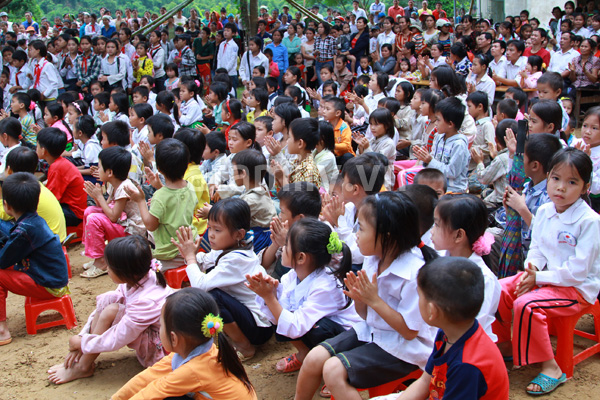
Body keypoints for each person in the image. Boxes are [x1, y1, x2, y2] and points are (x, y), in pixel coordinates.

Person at [295, 191, 438, 400]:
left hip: (404, 347)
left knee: (333, 371)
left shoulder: (413, 274)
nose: (356, 235)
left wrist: (374, 300)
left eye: (361, 228)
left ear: (386, 236)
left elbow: (409, 332)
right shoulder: (373, 259)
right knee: (314, 358)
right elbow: (365, 317)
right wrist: (360, 299)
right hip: (373, 331)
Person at [494, 148, 600, 395]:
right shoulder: (544, 211)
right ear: (548, 177)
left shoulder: (590, 221)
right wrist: (532, 271)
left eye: (571, 182)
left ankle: (552, 367)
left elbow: (577, 272)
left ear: (585, 187)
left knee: (528, 306)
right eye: (556, 178)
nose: (561, 188)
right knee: (498, 289)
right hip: (546, 280)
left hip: (577, 288)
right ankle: (507, 346)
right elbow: (538, 248)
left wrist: (537, 278)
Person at [48, 235, 172, 384]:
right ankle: (82, 362)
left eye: (110, 267)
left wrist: (83, 343)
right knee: (110, 300)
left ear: (127, 272)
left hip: (161, 352)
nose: (107, 269)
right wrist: (82, 338)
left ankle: (82, 366)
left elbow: (118, 337)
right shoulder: (138, 277)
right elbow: (101, 311)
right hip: (146, 334)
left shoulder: (147, 300)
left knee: (111, 310)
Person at [248, 218, 362, 373]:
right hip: (319, 328)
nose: (283, 248)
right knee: (281, 311)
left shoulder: (325, 285)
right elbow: (280, 317)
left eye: (287, 245)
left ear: (301, 257)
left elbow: (294, 327)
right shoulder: (292, 275)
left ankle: (340, 368)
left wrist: (269, 298)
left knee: (319, 327)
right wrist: (270, 293)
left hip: (349, 339)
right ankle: (305, 354)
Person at [393, 256, 509, 399]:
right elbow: (425, 381)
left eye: (419, 296)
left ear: (432, 311)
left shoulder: (467, 366)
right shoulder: (447, 334)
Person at [172, 198, 272, 361]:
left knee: (213, 296)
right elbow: (205, 259)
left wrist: (190, 258)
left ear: (238, 234)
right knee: (209, 283)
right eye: (210, 227)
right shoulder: (234, 246)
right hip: (253, 319)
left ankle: (245, 347)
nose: (210, 234)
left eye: (217, 230)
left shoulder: (236, 260)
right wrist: (191, 255)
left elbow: (200, 285)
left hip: (260, 328)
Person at [112, 287, 257, 399]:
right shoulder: (202, 351)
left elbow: (152, 392)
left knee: (164, 396)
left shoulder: (193, 370)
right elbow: (148, 377)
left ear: (174, 338)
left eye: (161, 325)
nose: (160, 329)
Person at [0, 172, 69, 346]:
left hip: (49, 284)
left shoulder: (24, 231)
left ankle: (1, 329)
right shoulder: (32, 221)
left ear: (6, 206)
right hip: (51, 276)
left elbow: (3, 260)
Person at [430, 195, 501, 341]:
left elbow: (469, 328)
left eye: (437, 225)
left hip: (469, 349)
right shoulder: (439, 258)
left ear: (459, 235)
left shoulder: (483, 279)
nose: (431, 231)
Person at [124, 139, 198, 270]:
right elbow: (175, 200)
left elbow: (150, 225)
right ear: (186, 165)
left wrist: (140, 200)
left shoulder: (160, 196)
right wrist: (160, 187)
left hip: (170, 253)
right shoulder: (190, 186)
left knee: (144, 270)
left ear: (159, 169)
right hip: (190, 244)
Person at [81, 147, 144, 278]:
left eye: (99, 167)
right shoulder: (113, 183)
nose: (97, 170)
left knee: (94, 218)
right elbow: (107, 207)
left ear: (109, 172)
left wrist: (99, 197)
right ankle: (98, 256)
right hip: (122, 222)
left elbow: (113, 217)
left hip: (132, 232)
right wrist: (96, 197)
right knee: (90, 210)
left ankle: (102, 263)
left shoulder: (125, 187)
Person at [413, 97, 469, 193]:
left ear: (450, 124)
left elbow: (452, 172)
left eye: (438, 120)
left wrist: (430, 160)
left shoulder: (459, 144)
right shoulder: (439, 137)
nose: (436, 124)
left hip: (453, 189)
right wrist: (425, 159)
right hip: (437, 184)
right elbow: (434, 160)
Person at [36, 127, 87, 227]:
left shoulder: (57, 167)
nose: (35, 148)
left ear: (43, 150)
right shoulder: (60, 162)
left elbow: (51, 198)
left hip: (74, 213)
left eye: (37, 146)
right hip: (73, 208)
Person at [471, 119, 512, 210]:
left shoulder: (502, 159)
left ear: (496, 140)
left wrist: (479, 162)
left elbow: (483, 179)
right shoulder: (520, 155)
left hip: (501, 202)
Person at [580, 106, 600, 211]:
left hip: (593, 203)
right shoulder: (576, 143)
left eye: (594, 128)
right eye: (585, 125)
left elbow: (596, 188)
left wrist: (586, 161)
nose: (587, 131)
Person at [217, 23, 240, 92]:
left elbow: (232, 60)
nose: (225, 33)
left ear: (233, 33)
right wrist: (219, 69)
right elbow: (219, 57)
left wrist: (225, 70)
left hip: (230, 73)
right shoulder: (222, 44)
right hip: (221, 73)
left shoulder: (234, 46)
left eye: (228, 31)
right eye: (225, 30)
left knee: (232, 91)